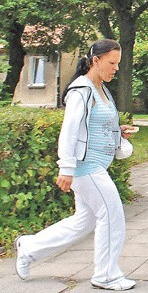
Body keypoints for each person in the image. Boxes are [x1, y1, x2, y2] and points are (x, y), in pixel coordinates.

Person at [14, 39, 138, 291]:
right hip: (86, 166)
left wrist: (117, 131)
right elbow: (70, 131)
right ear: (96, 61)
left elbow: (94, 125)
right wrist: (66, 168)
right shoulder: (81, 90)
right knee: (112, 216)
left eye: (118, 64)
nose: (116, 68)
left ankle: (28, 247)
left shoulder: (101, 89)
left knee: (85, 221)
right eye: (112, 63)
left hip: (96, 166)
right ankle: (106, 275)